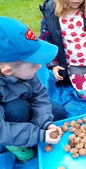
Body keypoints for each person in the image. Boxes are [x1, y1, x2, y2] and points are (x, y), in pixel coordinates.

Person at [0, 16, 67, 161]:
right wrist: (39, 135)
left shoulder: (25, 72)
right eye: (33, 65)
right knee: (16, 109)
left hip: (24, 103)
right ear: (7, 71)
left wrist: (45, 123)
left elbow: (39, 95)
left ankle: (27, 129)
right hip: (6, 120)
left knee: (58, 113)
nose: (40, 66)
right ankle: (13, 143)